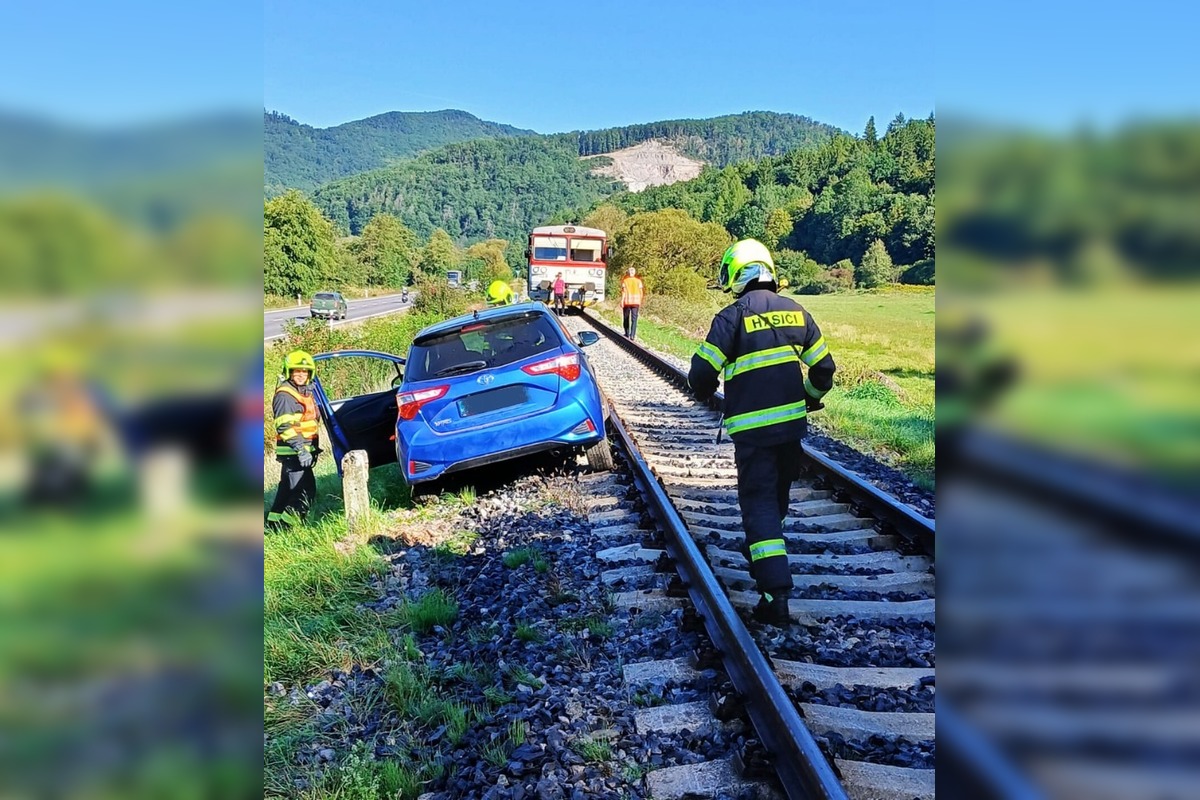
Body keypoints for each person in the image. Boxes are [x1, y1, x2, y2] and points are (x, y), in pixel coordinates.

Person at [686, 239, 836, 626]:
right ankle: (763, 554)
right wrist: (808, 398)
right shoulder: (798, 313)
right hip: (790, 430)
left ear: (738, 274)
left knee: (759, 505)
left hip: (752, 434)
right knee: (776, 503)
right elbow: (824, 371)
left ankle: (775, 594)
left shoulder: (731, 317)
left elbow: (700, 375)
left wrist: (706, 393)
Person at [266, 350, 322, 531]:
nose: (300, 375)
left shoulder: (304, 391)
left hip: (300, 453)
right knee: (303, 493)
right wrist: (301, 449)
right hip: (295, 453)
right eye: (296, 371)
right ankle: (288, 529)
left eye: (304, 371)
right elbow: (284, 426)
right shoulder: (285, 395)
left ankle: (273, 526)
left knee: (286, 492)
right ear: (289, 372)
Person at [619, 267, 644, 340]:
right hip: (636, 302)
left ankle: (627, 333)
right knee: (634, 319)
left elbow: (623, 292)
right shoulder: (638, 281)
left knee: (626, 318)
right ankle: (632, 335)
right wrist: (640, 300)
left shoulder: (625, 281)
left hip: (627, 302)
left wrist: (622, 301)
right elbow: (641, 292)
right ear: (634, 273)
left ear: (628, 273)